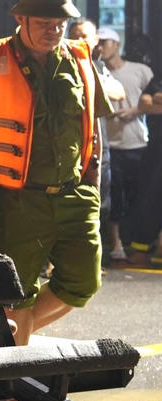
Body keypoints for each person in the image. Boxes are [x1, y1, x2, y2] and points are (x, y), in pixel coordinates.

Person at [0, 0, 112, 359]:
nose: (53, 30)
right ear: (20, 19)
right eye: (44, 22)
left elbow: (94, 125)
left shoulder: (79, 60)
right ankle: (15, 372)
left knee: (82, 284)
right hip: (17, 200)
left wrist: (93, 179)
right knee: (18, 293)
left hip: (75, 194)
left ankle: (6, 344)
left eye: (59, 23)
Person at [67, 20, 126, 262]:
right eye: (75, 35)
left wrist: (88, 80)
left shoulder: (98, 67)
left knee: (99, 202)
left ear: (94, 41)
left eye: (85, 36)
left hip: (95, 147)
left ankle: (92, 258)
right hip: (65, 147)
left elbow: (119, 93)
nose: (80, 40)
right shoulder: (56, 63)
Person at [96, 28, 152, 265]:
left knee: (141, 195)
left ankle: (139, 241)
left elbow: (152, 98)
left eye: (105, 42)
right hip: (110, 144)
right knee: (113, 198)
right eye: (98, 42)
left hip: (137, 141)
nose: (101, 46)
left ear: (117, 43)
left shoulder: (140, 71)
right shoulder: (97, 71)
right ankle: (116, 243)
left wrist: (135, 110)